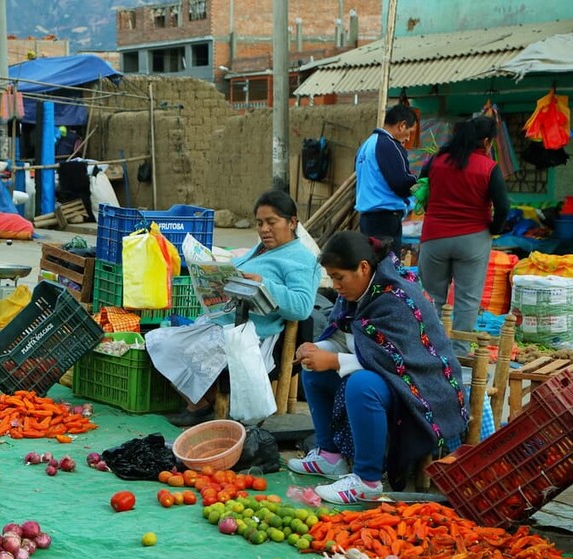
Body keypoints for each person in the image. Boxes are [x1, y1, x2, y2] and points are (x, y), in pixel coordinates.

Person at [289, 232, 468, 503]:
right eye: (332, 277)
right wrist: (317, 350)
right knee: (313, 370)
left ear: (363, 267)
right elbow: (349, 339)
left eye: (339, 277)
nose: (335, 285)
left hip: (422, 390)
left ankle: (367, 480)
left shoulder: (397, 298)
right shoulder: (355, 293)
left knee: (362, 385)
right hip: (389, 379)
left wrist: (334, 360)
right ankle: (330, 456)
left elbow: (397, 362)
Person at [146, 190, 321, 427]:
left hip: (252, 336)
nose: (264, 229)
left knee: (172, 345)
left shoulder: (301, 259)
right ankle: (201, 405)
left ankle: (204, 406)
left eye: (272, 222)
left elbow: (301, 307)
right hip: (224, 322)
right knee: (157, 341)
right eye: (259, 223)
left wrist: (263, 284)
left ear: (292, 222)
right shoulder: (261, 248)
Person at [418, 116, 509, 355]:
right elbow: (503, 207)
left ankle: (430, 349)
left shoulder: (436, 160)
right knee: (467, 300)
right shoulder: (489, 167)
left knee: (432, 297)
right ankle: (457, 352)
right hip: (473, 238)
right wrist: (494, 229)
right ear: (487, 141)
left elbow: (421, 189)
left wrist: (433, 213)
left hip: (434, 237)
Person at [355, 104, 418, 255]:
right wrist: (420, 183)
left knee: (372, 266)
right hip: (385, 220)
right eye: (410, 132)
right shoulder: (389, 145)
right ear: (402, 125)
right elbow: (401, 183)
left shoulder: (366, 146)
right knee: (387, 269)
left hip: (367, 219)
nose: (408, 138)